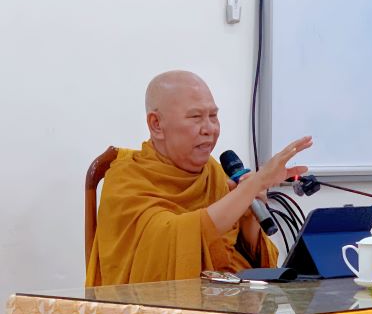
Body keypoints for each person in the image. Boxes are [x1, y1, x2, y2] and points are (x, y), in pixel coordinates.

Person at [86, 70, 312, 286]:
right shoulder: (126, 178)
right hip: (165, 308)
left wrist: (249, 215)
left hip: (233, 299)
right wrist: (255, 183)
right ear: (156, 125)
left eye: (213, 116)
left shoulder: (213, 173)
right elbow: (170, 242)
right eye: (196, 117)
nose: (210, 129)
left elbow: (246, 259)